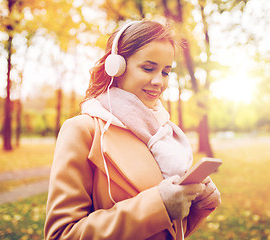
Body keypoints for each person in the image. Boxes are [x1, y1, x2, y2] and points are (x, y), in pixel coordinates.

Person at [44, 20, 221, 240]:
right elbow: (61, 234)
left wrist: (197, 205)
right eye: (148, 68)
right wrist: (159, 206)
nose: (159, 82)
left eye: (166, 72)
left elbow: (169, 232)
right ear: (117, 67)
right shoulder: (84, 130)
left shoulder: (163, 132)